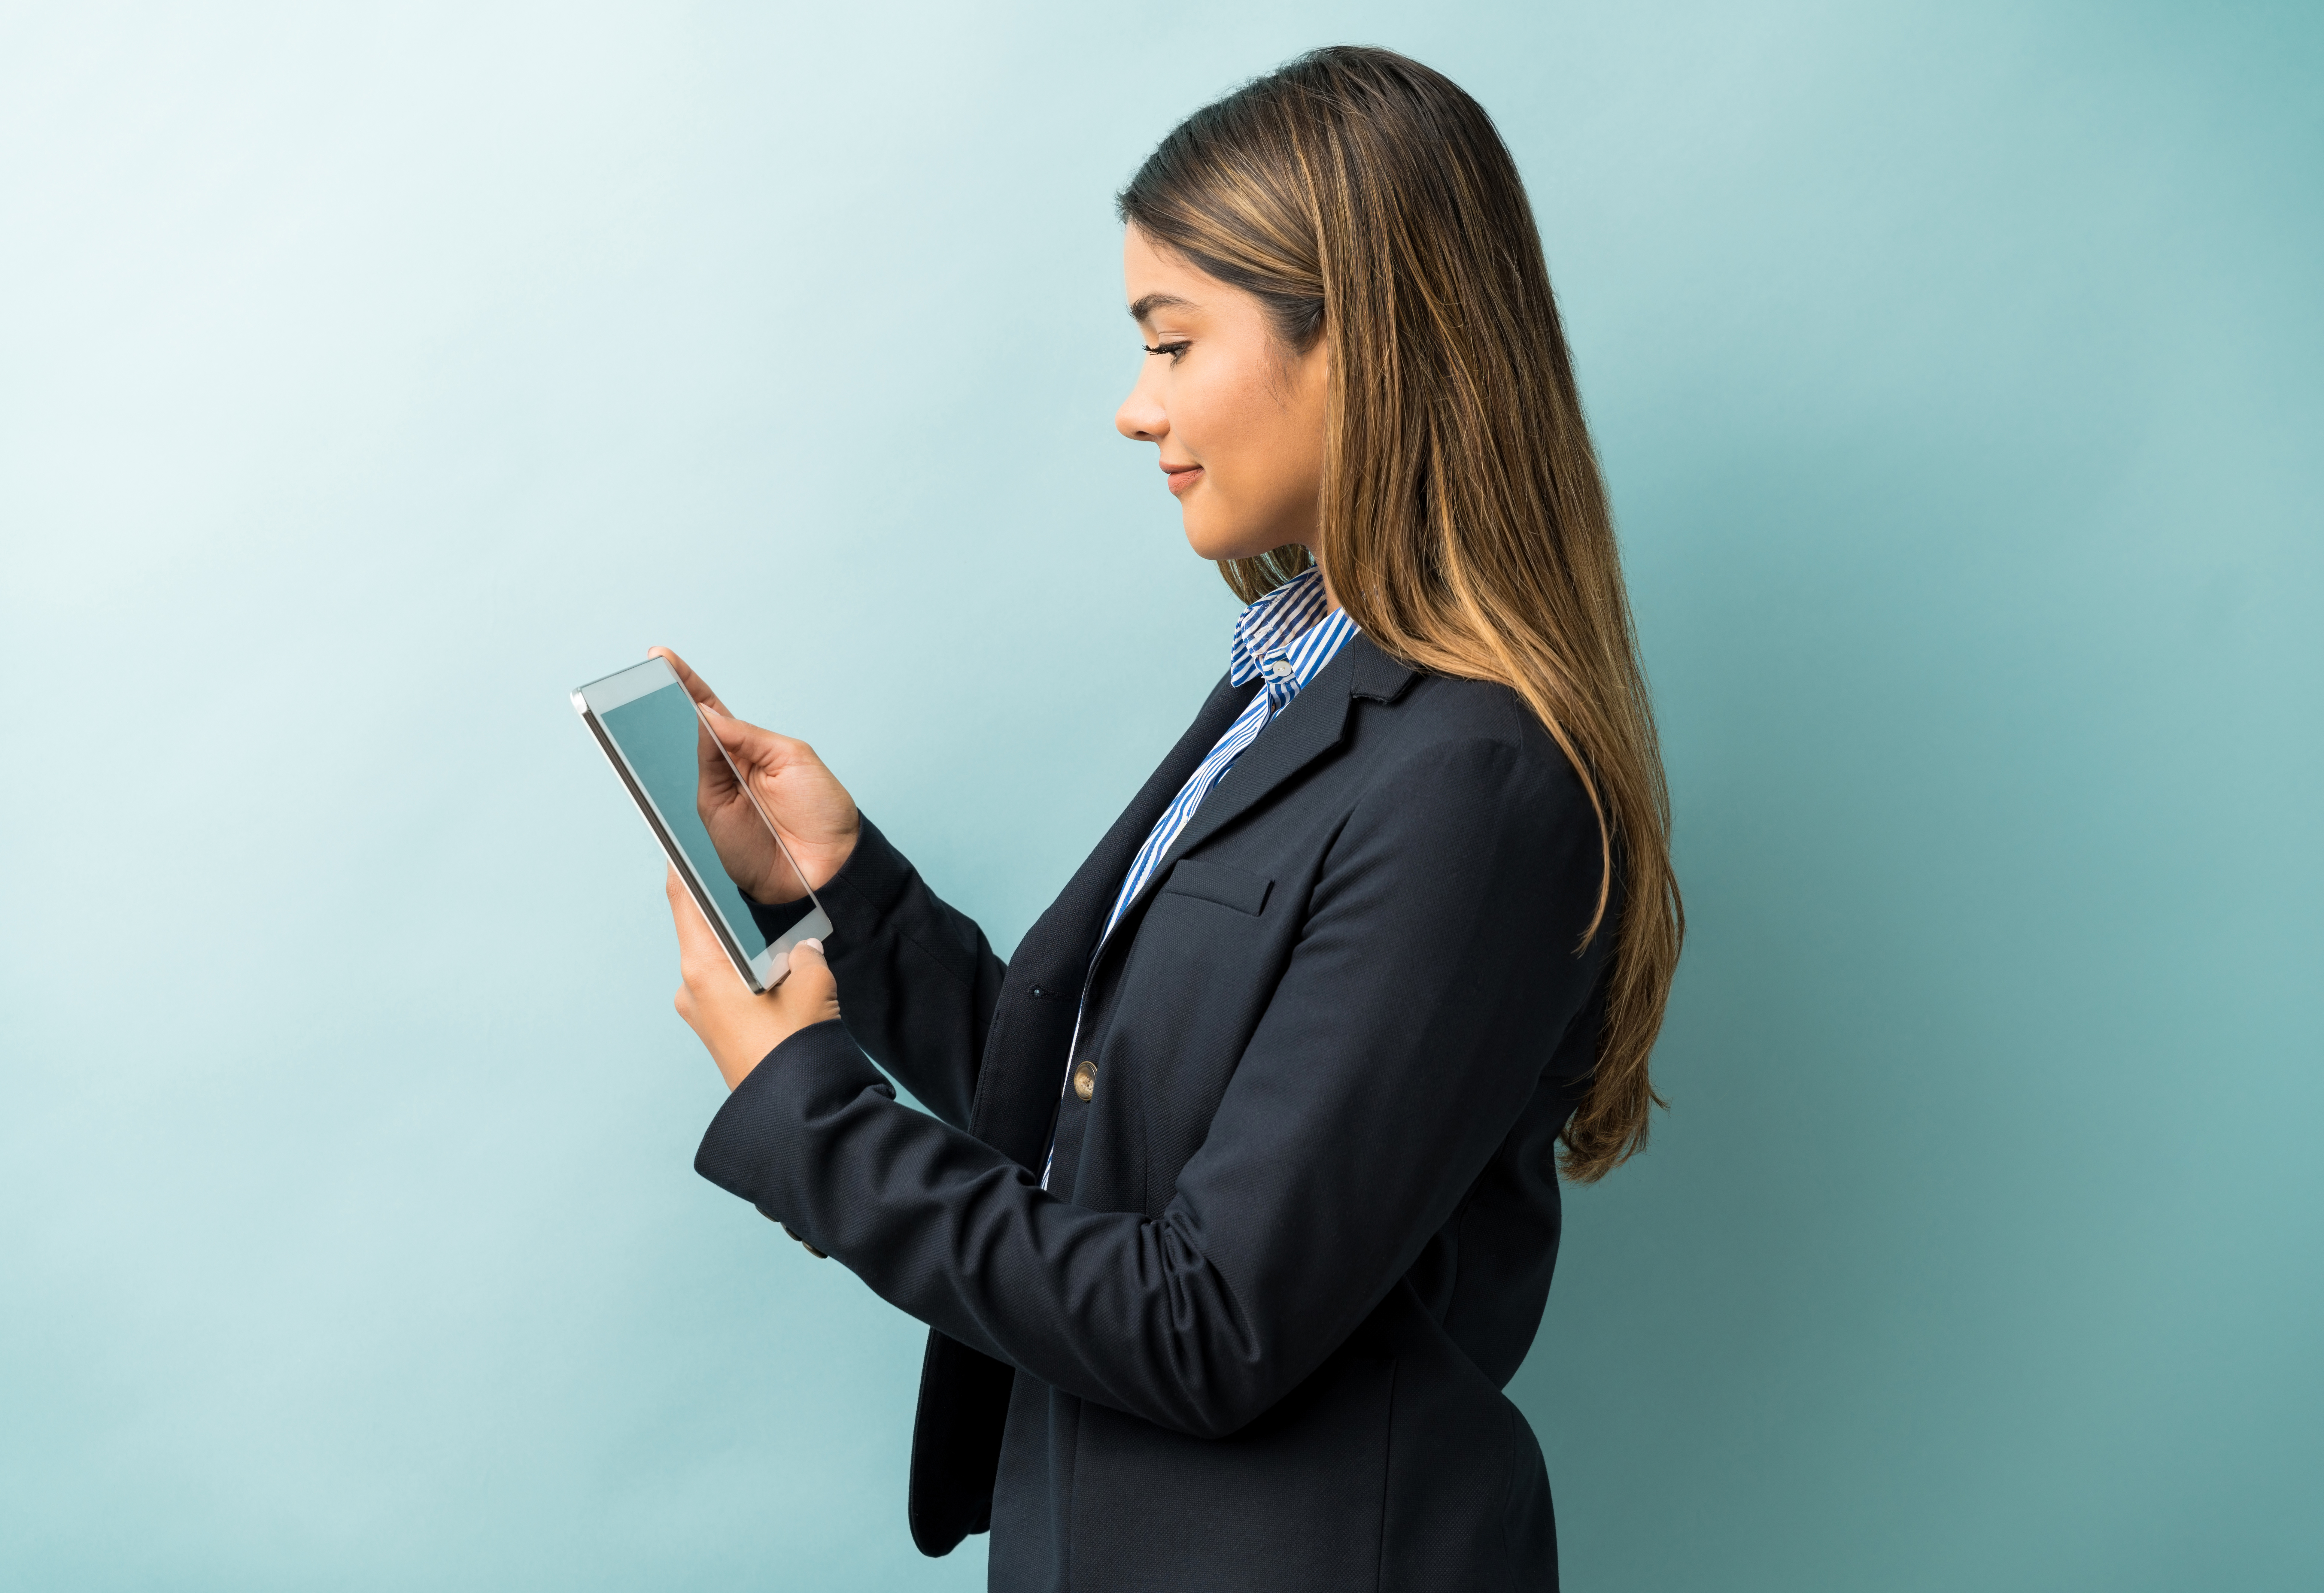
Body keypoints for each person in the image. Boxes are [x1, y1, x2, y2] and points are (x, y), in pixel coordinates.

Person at [653, 45, 1682, 1593]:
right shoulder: (1295, 683)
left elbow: (1210, 1320)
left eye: (1175, 341)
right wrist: (849, 894)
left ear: (1361, 344)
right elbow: (1119, 1119)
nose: (1140, 411)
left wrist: (809, 1113)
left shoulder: (1474, 786)